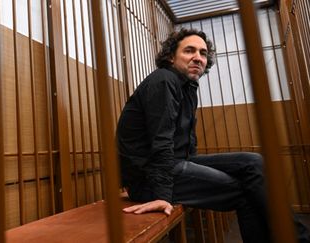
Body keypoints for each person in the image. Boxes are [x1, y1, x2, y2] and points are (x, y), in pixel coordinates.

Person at [116, 28, 310, 243]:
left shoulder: (188, 87)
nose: (198, 58)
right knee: (246, 192)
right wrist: (162, 195)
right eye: (189, 51)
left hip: (175, 163)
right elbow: (161, 141)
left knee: (253, 162)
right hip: (150, 178)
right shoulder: (164, 80)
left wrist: (201, 171)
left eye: (203, 53)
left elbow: (186, 142)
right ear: (171, 56)